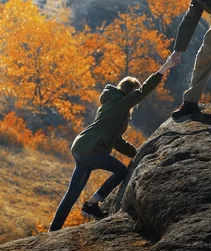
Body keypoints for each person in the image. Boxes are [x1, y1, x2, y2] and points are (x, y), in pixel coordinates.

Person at [48, 53, 179, 231]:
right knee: (121, 171)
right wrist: (165, 67)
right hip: (91, 150)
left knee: (71, 194)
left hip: (82, 148)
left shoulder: (111, 105)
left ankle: (53, 230)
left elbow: (116, 140)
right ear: (129, 93)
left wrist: (136, 153)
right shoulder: (120, 104)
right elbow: (144, 91)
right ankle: (92, 204)